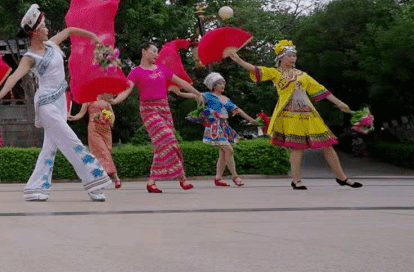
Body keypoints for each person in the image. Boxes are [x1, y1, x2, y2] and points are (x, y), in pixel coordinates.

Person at [0, 4, 113, 202]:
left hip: (60, 101)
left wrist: (92, 36)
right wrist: (0, 93)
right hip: (46, 104)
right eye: (44, 27)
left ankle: (36, 189)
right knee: (72, 141)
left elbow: (69, 30)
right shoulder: (29, 57)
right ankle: (94, 181)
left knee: (50, 148)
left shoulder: (52, 44)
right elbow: (14, 77)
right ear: (36, 32)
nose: (48, 30)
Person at [225, 40, 362, 189]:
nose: (293, 58)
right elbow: (255, 69)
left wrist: (339, 103)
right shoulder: (276, 73)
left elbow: (321, 89)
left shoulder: (302, 75)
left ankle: (342, 177)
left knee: (327, 144)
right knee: (297, 147)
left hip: (308, 113)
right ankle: (297, 180)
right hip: (290, 114)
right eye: (290, 55)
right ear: (281, 57)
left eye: (294, 56)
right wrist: (238, 59)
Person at [111, 42, 204, 193]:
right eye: (153, 51)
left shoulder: (163, 69)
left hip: (164, 108)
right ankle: (183, 178)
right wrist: (115, 100)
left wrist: (198, 93)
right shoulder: (136, 72)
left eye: (157, 52)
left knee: (161, 146)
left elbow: (181, 83)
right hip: (148, 110)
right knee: (168, 138)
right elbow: (126, 90)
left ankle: (151, 182)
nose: (156, 55)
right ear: (144, 51)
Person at [195, 72, 256, 186]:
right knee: (229, 150)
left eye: (223, 83)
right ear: (214, 86)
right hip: (214, 126)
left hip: (224, 126)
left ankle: (218, 178)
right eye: (219, 84)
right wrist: (180, 92)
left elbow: (238, 110)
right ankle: (235, 176)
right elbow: (194, 94)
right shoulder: (208, 95)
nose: (222, 85)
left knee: (223, 154)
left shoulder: (226, 99)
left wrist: (251, 119)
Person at [68, 93, 121, 189]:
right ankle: (115, 177)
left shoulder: (107, 99)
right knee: (101, 152)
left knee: (107, 151)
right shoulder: (88, 100)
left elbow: (112, 113)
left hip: (105, 128)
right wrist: (73, 117)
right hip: (94, 129)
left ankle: (102, 178)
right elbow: (81, 113)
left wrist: (111, 121)